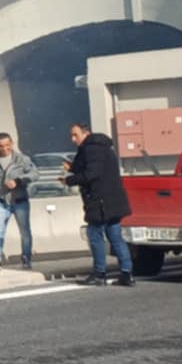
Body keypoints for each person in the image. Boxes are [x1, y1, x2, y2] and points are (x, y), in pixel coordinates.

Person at [64, 121, 134, 286]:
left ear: (85, 133)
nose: (73, 139)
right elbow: (92, 167)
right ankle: (127, 273)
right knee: (116, 236)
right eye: (72, 135)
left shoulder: (91, 148)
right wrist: (73, 168)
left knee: (95, 235)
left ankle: (99, 273)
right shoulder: (102, 147)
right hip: (113, 200)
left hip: (100, 201)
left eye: (76, 135)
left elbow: (92, 173)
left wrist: (69, 180)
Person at [0, 132, 37, 271]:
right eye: (1, 146)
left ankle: (26, 258)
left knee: (25, 232)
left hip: (20, 200)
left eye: (7, 145)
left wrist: (18, 181)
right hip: (2, 201)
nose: (5, 148)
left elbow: (35, 174)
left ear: (11, 143)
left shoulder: (22, 159)